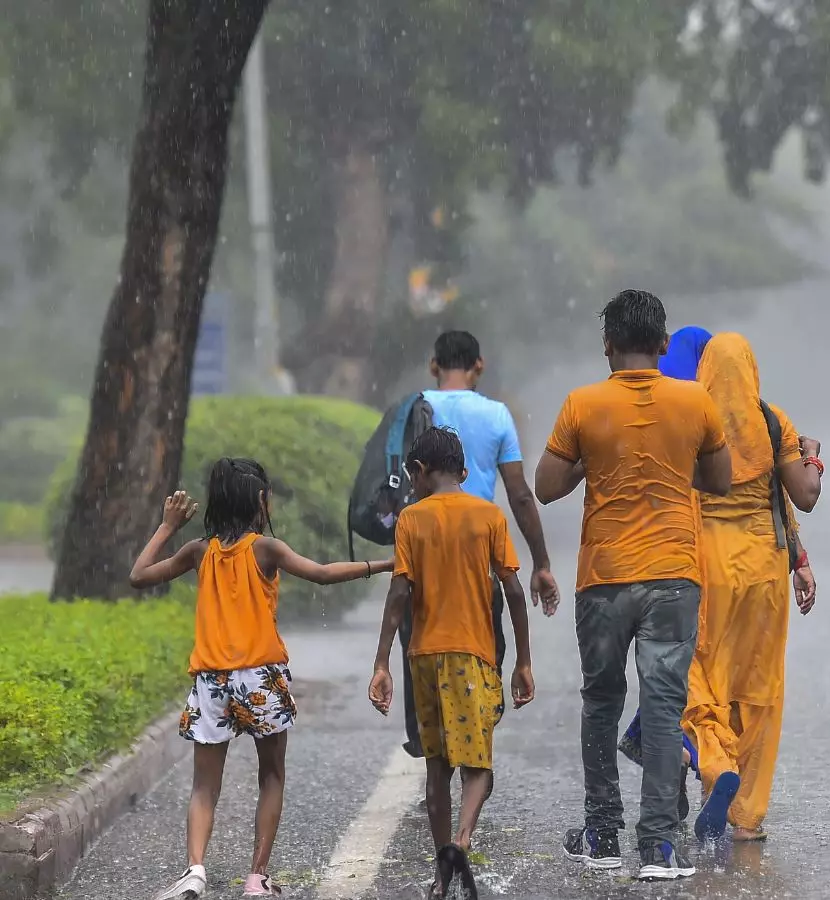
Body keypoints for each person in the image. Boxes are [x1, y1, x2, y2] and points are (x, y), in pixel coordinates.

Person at [535, 289, 732, 881]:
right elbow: (719, 480)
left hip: (604, 579)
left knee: (600, 702)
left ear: (607, 346)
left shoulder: (582, 404)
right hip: (674, 575)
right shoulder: (694, 400)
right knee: (665, 706)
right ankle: (658, 847)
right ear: (665, 344)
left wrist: (596, 456)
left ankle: (600, 832)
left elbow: (546, 486)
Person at [129, 459, 393, 900]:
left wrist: (166, 527)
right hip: (261, 678)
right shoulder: (266, 549)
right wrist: (384, 564)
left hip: (211, 681)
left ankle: (194, 871)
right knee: (271, 776)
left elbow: (138, 577)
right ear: (257, 501)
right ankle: (257, 879)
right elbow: (323, 574)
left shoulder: (199, 550)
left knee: (204, 785)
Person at [368, 427, 535, 899]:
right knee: (477, 763)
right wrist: (522, 660)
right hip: (473, 656)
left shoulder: (410, 520)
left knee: (436, 766)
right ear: (463, 472)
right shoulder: (488, 516)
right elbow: (515, 591)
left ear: (419, 473)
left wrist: (382, 662)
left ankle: (441, 875)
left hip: (422, 656)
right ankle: (462, 839)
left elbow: (400, 592)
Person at [677, 333, 824, 843]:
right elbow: (800, 496)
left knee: (702, 676)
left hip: (708, 566)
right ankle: (747, 817)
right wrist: (813, 458)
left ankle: (716, 767)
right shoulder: (772, 420)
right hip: (766, 568)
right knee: (759, 689)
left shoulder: (692, 416)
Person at [394, 330, 559, 757]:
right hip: (477, 561)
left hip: (424, 553)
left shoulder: (415, 408)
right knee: (485, 646)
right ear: (478, 366)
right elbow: (520, 494)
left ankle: (426, 736)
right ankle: (474, 722)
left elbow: (397, 480)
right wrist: (541, 562)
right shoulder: (497, 415)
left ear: (434, 366)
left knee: (418, 642)